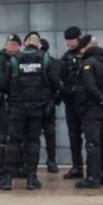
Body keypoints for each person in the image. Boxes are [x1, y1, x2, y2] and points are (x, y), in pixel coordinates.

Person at [0, 32, 60, 191]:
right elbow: (55, 83)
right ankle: (32, 179)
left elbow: (3, 85)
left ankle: (8, 180)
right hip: (37, 108)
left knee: (14, 141)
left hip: (17, 108)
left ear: (25, 44)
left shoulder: (15, 59)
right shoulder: (44, 58)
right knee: (33, 142)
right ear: (38, 44)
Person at [74, 36, 103, 189]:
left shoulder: (89, 63)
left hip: (92, 109)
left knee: (93, 143)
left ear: (86, 47)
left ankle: (93, 178)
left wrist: (102, 100)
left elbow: (89, 86)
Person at [0, 34, 21, 180]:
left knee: (17, 138)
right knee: (1, 138)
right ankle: (0, 168)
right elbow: (0, 83)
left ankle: (16, 167)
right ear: (6, 45)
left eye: (15, 44)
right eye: (10, 44)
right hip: (1, 105)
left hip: (19, 105)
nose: (13, 47)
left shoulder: (21, 60)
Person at [59, 26, 85, 179]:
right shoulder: (65, 58)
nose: (70, 43)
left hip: (86, 104)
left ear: (79, 38)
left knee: (92, 139)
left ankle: (97, 170)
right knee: (74, 136)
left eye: (72, 39)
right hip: (71, 104)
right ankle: (77, 167)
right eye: (67, 40)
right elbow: (60, 79)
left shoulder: (87, 56)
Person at [39, 38, 61, 173]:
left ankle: (51, 160)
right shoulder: (26, 61)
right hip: (33, 103)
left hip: (47, 102)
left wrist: (53, 100)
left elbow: (57, 84)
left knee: (50, 133)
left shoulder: (53, 62)